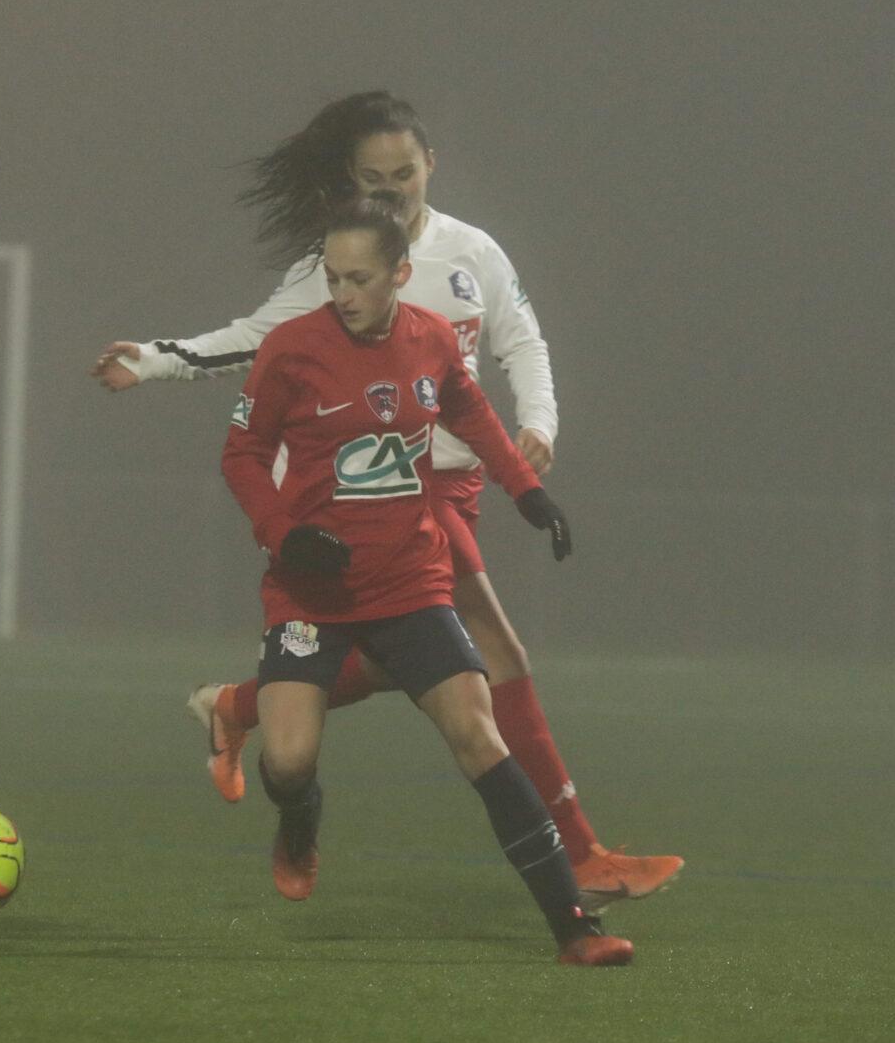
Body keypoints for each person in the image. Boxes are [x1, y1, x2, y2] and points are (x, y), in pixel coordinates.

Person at [92, 91, 681, 909]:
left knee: (408, 659)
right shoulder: (337, 267)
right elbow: (253, 338)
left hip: (458, 483)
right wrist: (156, 359)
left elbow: (520, 341)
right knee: (497, 657)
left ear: (431, 164)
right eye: (375, 176)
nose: (394, 188)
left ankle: (238, 704)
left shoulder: (474, 251)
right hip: (381, 488)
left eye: (405, 172)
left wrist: (537, 425)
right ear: (351, 181)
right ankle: (578, 854)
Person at [220, 199, 630, 966]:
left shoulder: (431, 338)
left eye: (360, 278)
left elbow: (471, 414)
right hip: (311, 590)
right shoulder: (291, 349)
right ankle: (300, 820)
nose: (342, 293)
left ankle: (575, 927)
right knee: (288, 760)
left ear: (400, 274)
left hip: (412, 580)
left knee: (480, 737)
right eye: (333, 277)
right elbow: (242, 453)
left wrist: (527, 492)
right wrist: (284, 535)